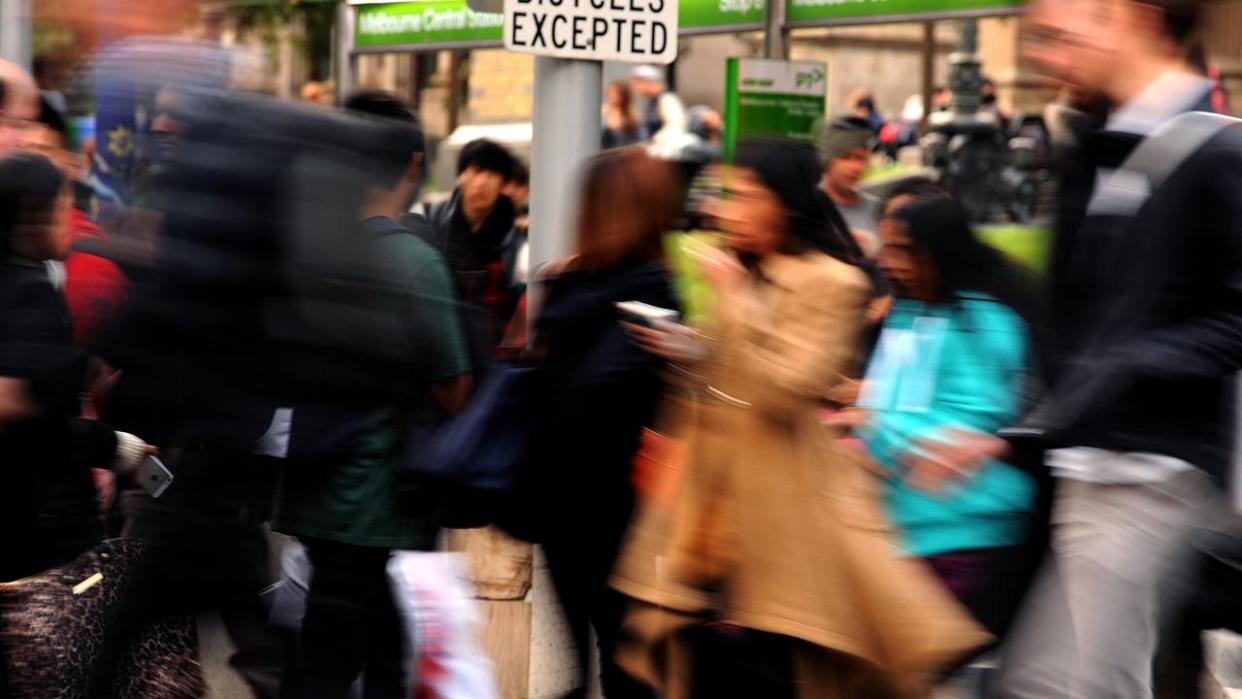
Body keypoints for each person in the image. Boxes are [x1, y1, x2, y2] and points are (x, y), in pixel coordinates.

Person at [899, 2, 1242, 697]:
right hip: (1079, 464)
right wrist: (1017, 432)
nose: (1046, 60)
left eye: (1059, 36)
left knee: (1085, 684)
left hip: (1148, 472)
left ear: (1126, 17)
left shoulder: (1216, 149)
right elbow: (1071, 327)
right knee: (1040, 681)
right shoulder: (1091, 143)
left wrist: (1122, 370)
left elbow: (1231, 319)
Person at [613, 139, 988, 698]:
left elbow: (787, 391)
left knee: (800, 673)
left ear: (783, 204)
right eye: (725, 197)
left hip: (792, 526)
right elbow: (727, 388)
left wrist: (736, 301)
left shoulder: (834, 282)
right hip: (714, 515)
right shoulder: (750, 275)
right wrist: (686, 353)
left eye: (744, 197)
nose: (726, 212)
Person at [276, 89, 472, 699]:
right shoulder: (414, 263)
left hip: (310, 478)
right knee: (331, 653)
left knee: (378, 637)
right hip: (373, 498)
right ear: (413, 165)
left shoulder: (303, 250)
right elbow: (453, 388)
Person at [509, 148, 680, 699]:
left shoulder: (565, 284)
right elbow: (609, 389)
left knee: (592, 654)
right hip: (621, 506)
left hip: (554, 500)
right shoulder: (655, 293)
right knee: (627, 660)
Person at [860, 186, 1040, 637]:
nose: (889, 260)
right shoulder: (908, 313)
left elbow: (977, 419)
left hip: (966, 530)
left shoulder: (985, 322)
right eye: (887, 247)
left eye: (905, 250)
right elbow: (889, 404)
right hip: (907, 526)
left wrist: (880, 434)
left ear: (939, 251)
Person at [0, 152, 151, 581]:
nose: (71, 217)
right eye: (64, 206)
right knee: (58, 627)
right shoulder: (32, 292)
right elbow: (15, 405)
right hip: (36, 511)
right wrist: (114, 448)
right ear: (34, 218)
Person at [408, 138, 520, 375]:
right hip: (442, 354)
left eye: (492, 174)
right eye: (477, 171)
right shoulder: (428, 219)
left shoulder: (515, 236)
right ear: (461, 175)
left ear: (503, 183)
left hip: (496, 361)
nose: (482, 182)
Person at [814, 115, 881, 256]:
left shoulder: (877, 209)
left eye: (861, 158)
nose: (856, 167)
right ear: (828, 160)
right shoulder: (810, 206)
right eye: (846, 157)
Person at [631, 65, 687, 148]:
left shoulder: (667, 99)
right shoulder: (652, 102)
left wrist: (654, 143)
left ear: (649, 82)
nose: (636, 87)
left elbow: (676, 127)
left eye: (639, 82)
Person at [603, 79, 642, 149]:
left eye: (616, 92)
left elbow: (636, 140)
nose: (612, 95)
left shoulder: (632, 116)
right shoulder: (603, 112)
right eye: (610, 92)